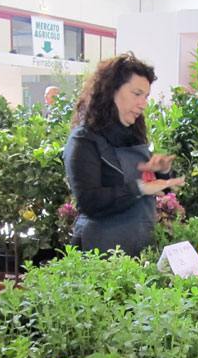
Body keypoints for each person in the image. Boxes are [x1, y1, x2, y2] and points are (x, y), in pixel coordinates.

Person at [64, 53, 184, 257]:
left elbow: (156, 187)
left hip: (138, 247)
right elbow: (89, 201)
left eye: (146, 96)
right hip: (99, 251)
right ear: (111, 90)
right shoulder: (83, 140)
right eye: (137, 94)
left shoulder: (132, 135)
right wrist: (138, 188)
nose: (143, 104)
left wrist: (162, 171)